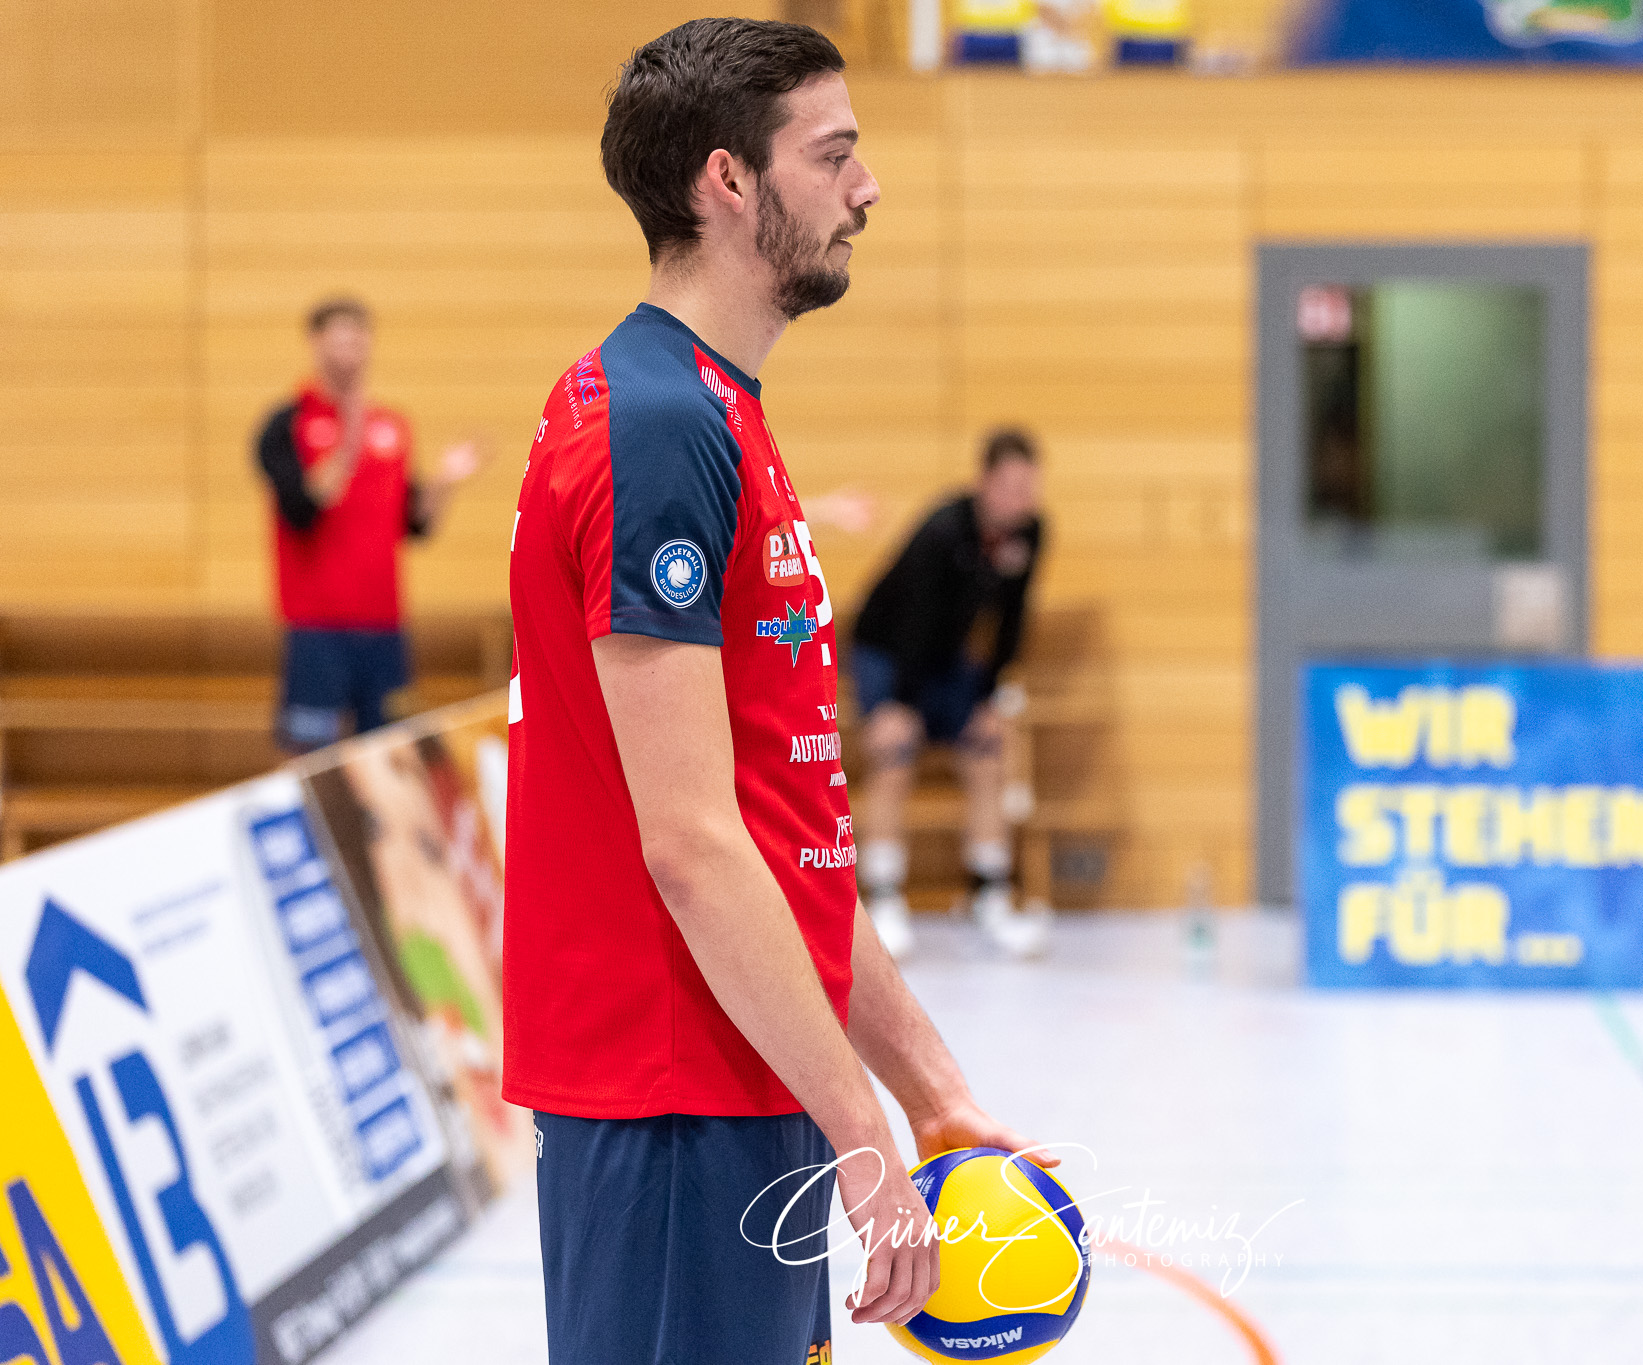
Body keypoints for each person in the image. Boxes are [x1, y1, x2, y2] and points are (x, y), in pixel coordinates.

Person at [499, 20, 1056, 1365]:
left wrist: (929, 1095)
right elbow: (693, 845)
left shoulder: (713, 410)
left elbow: (781, 835)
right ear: (729, 181)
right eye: (835, 154)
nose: (868, 187)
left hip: (746, 1067)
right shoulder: (655, 425)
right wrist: (863, 1133)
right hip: (671, 1094)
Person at [851, 429, 1049, 960]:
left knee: (989, 750)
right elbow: (914, 622)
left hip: (947, 660)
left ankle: (989, 895)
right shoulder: (943, 530)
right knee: (894, 753)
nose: (1021, 500)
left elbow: (1012, 620)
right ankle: (884, 898)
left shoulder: (1030, 533)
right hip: (888, 652)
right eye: (1010, 488)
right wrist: (898, 704)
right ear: (985, 483)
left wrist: (989, 698)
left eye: (1029, 488)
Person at [254, 298, 482, 753]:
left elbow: (412, 524)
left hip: (384, 625)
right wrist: (350, 434)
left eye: (358, 339)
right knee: (311, 757)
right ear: (315, 343)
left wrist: (445, 481)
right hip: (317, 628)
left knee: (391, 752)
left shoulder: (393, 426)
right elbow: (301, 508)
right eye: (339, 338)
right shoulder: (286, 424)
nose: (350, 350)